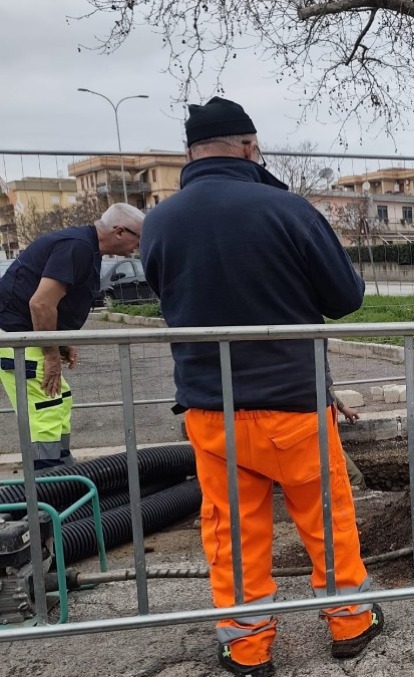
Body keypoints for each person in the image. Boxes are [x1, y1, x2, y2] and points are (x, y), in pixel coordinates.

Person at [141, 96, 382, 676]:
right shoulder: (287, 209)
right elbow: (344, 298)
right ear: (250, 147)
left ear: (188, 154)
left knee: (230, 530)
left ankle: (247, 647)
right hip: (291, 405)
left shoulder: (160, 220)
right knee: (325, 519)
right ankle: (350, 623)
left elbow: (165, 292)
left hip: (210, 408)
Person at [0, 203, 144, 470]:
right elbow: (40, 304)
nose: (138, 247)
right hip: (18, 335)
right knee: (45, 410)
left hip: (27, 335)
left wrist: (61, 341)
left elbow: (54, 302)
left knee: (58, 401)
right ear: (120, 231)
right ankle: (46, 494)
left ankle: (63, 477)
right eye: (139, 238)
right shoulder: (77, 247)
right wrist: (51, 354)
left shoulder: (85, 247)